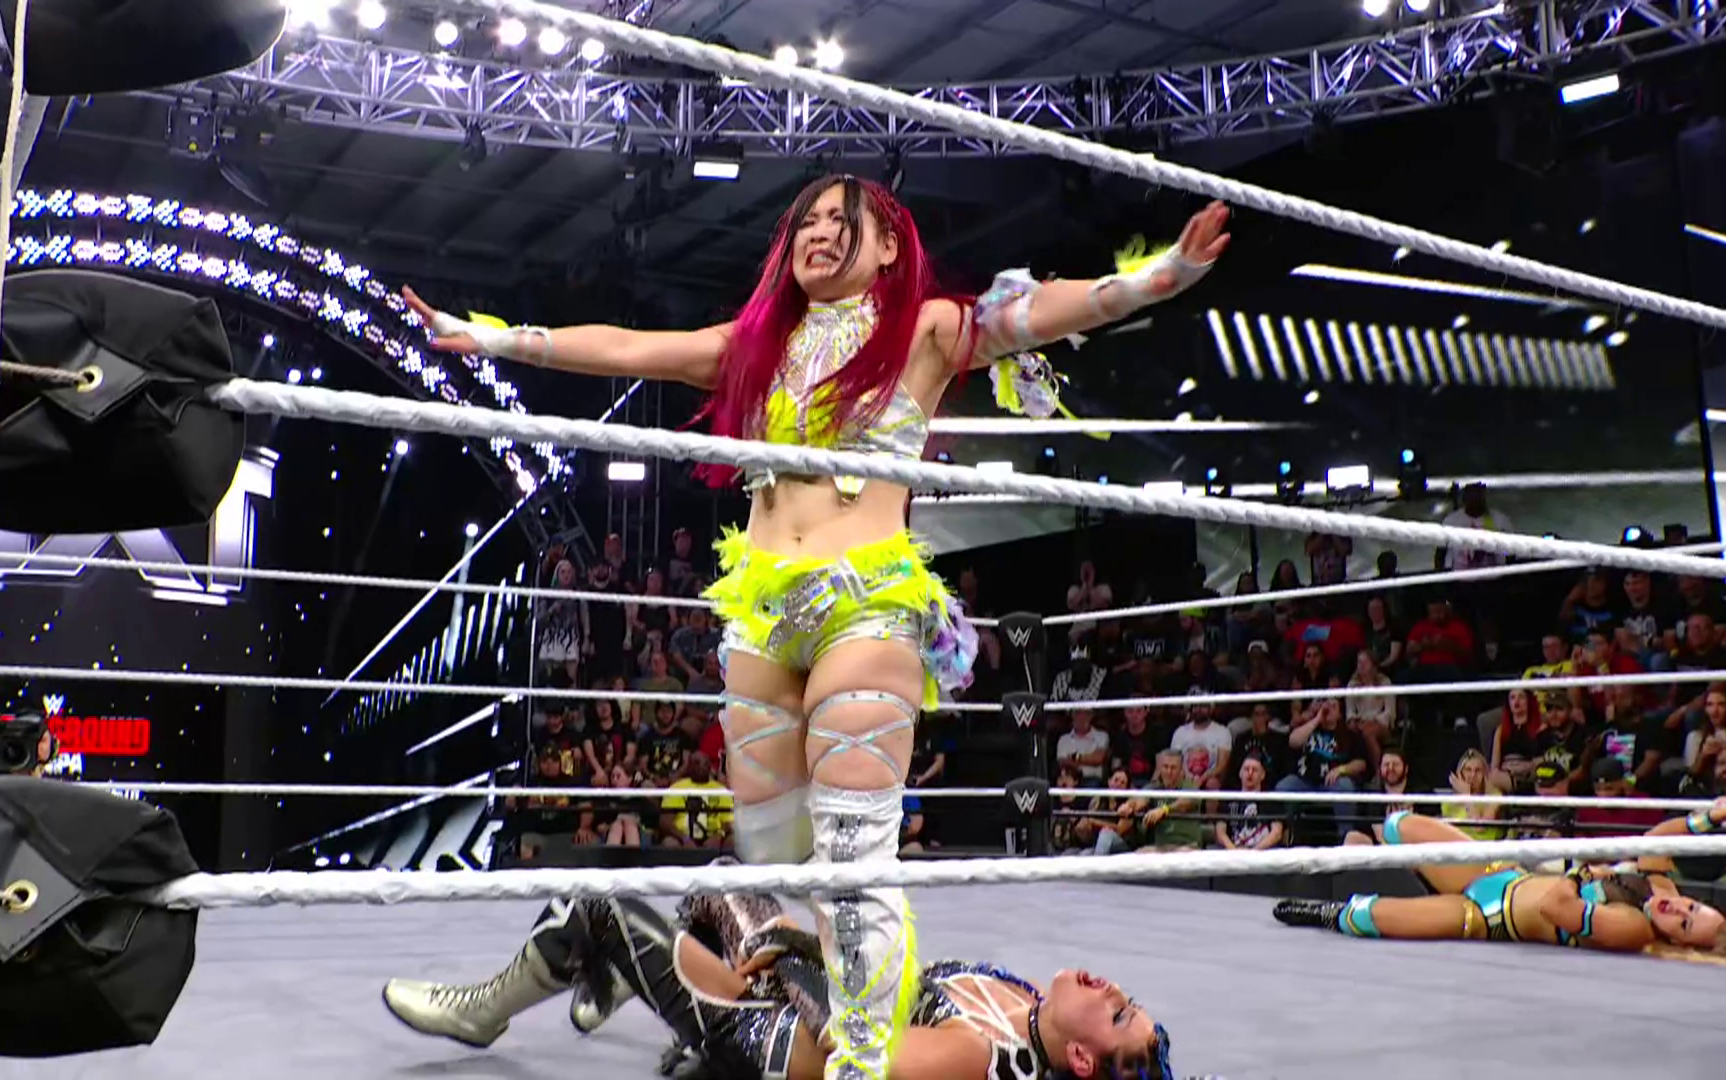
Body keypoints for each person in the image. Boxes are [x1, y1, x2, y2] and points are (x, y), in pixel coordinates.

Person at [404, 175, 1229, 1079]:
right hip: (761, 613)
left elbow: (1039, 313)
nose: (821, 231)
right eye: (809, 219)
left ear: (889, 246)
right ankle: (634, 967)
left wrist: (1165, 274)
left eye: (845, 219)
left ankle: (854, 1065)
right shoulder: (755, 346)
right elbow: (632, 348)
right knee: (769, 854)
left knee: (850, 850)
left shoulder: (924, 330)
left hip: (865, 600)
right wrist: (496, 338)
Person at [382, 885, 1177, 1080]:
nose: (1114, 990)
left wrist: (792, 960)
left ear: (1081, 1059)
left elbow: (849, 1048)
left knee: (598, 909)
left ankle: (483, 1012)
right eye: (1129, 999)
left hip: (762, 1034)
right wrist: (801, 945)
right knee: (722, 886)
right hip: (797, 996)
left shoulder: (978, 1054)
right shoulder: (1027, 1002)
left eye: (1118, 1014)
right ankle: (617, 980)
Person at [1272, 804, 1726, 960]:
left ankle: (1325, 912)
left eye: (1684, 923)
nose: (1679, 910)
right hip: (1496, 872)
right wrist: (1707, 819)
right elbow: (1657, 841)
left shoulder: (1633, 928)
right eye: (1692, 907)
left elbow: (1556, 908)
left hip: (1487, 916)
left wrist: (1584, 870)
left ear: (1675, 940)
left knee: (1365, 915)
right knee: (1399, 825)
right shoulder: (1662, 891)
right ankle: (1416, 872)